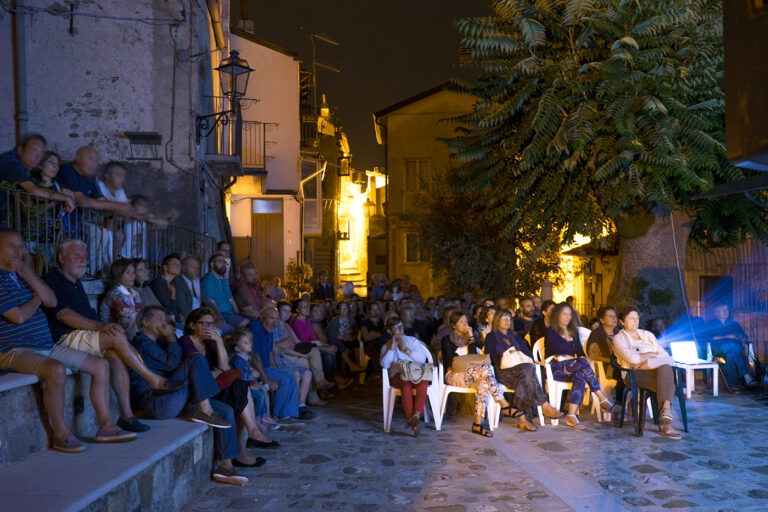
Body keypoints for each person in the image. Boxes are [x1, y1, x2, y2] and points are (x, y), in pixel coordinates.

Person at [0, 228, 131, 452]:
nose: (19, 251)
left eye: (21, 246)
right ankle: (61, 434)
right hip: (13, 350)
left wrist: (30, 275)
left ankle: (106, 426)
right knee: (57, 370)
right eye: (11, 245)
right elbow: (18, 316)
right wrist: (36, 299)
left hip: (45, 346)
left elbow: (50, 300)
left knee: (100, 365)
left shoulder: (23, 278)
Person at [43, 239, 183, 434]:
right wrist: (100, 326)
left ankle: (126, 416)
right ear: (61, 258)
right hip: (65, 336)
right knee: (117, 336)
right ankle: (154, 380)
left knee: (116, 356)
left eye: (84, 256)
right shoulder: (53, 279)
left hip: (86, 335)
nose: (82, 260)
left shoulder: (76, 283)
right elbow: (62, 314)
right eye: (76, 256)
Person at [128, 305, 251, 484]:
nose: (166, 323)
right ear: (145, 322)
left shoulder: (159, 343)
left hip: (173, 397)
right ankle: (205, 411)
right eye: (160, 319)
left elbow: (221, 368)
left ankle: (225, 466)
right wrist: (171, 337)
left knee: (226, 411)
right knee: (196, 358)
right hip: (157, 402)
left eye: (166, 318)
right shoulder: (142, 343)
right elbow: (172, 365)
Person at [178, 307, 278, 467]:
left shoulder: (209, 342)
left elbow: (224, 367)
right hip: (197, 394)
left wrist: (218, 341)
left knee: (240, 390)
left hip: (212, 388)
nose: (208, 327)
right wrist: (216, 372)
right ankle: (244, 444)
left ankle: (246, 444)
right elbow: (198, 374)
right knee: (233, 404)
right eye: (204, 323)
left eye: (211, 324)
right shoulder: (185, 342)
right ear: (192, 325)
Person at [484, 309, 563, 431]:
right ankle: (544, 405)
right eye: (503, 318)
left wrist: (530, 361)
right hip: (503, 372)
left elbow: (528, 355)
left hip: (522, 371)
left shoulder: (515, 336)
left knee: (526, 374)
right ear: (497, 320)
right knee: (527, 372)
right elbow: (488, 356)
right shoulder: (491, 337)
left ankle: (523, 419)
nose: (507, 321)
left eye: (509, 318)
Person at [613, 307, 682, 439]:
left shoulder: (647, 335)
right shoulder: (619, 339)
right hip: (633, 375)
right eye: (631, 318)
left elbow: (663, 354)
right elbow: (631, 359)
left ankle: (665, 413)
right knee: (667, 379)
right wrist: (651, 354)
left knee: (665, 368)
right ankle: (665, 420)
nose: (635, 321)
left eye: (637, 318)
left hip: (655, 372)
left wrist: (643, 358)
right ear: (622, 321)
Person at [441, 310, 511, 438]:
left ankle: (477, 423)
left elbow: (473, 357)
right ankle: (503, 403)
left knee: (483, 383)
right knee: (485, 369)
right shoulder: (446, 340)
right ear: (453, 325)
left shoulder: (470, 339)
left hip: (474, 374)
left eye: (466, 322)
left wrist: (470, 337)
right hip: (454, 375)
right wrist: (464, 362)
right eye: (461, 322)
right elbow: (448, 362)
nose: (464, 324)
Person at [544, 303, 613, 429]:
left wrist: (583, 358)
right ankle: (601, 396)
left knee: (580, 373)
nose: (567, 317)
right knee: (582, 363)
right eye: (564, 314)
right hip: (555, 367)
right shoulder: (551, 331)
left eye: (570, 314)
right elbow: (555, 350)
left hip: (574, 366)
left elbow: (580, 353)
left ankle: (571, 415)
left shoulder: (573, 332)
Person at [251, 307, 314, 421]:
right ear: (261, 317)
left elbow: (270, 352)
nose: (274, 323)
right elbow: (255, 358)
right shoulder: (255, 328)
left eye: (276, 319)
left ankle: (290, 414)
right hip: (258, 369)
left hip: (268, 367)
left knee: (291, 379)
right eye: (271, 318)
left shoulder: (268, 329)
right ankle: (280, 415)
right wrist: (268, 380)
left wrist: (276, 370)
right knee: (285, 380)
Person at [224, 328, 280, 447]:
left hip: (247, 383)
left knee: (262, 390)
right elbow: (241, 376)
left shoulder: (246, 357)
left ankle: (265, 416)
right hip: (242, 386)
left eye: (249, 341)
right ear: (237, 348)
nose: (250, 344)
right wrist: (252, 381)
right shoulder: (237, 359)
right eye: (245, 342)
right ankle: (258, 420)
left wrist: (253, 374)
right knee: (259, 394)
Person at [0, 134, 75, 215]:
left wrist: (61, 196)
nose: (38, 156)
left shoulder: (23, 170)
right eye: (33, 150)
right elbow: (35, 191)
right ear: (21, 150)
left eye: (41, 152)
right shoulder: (12, 164)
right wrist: (66, 198)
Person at [380, 316, 431, 436]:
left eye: (401, 326)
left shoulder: (411, 341)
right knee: (406, 384)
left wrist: (406, 350)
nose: (400, 330)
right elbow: (385, 365)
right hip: (399, 377)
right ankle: (413, 421)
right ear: (389, 331)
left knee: (423, 382)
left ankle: (416, 416)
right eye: (396, 328)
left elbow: (422, 358)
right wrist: (392, 348)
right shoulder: (386, 346)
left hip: (414, 373)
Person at [706, 304, 756, 389]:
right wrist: (727, 337)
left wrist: (737, 337)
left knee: (731, 355)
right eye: (723, 310)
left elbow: (744, 337)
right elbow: (710, 338)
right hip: (719, 349)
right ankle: (746, 375)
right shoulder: (711, 324)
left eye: (727, 310)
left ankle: (733, 386)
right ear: (717, 313)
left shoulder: (734, 323)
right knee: (732, 346)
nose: (726, 312)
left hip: (736, 348)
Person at [585, 306, 623, 409]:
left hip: (619, 365)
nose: (614, 318)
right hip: (604, 368)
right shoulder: (597, 334)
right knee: (623, 374)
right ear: (602, 320)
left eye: (615, 316)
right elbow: (593, 354)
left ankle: (630, 404)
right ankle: (619, 405)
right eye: (610, 316)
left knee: (633, 372)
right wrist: (612, 361)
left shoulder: (619, 333)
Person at [201, 253, 249, 330]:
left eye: (225, 263)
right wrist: (221, 319)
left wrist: (238, 314)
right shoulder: (208, 280)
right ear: (212, 264)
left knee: (253, 321)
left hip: (230, 314)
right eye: (220, 262)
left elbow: (231, 299)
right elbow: (211, 303)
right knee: (246, 324)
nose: (223, 265)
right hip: (221, 314)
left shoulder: (223, 281)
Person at [100, 259, 143, 340]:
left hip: (129, 328)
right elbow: (126, 313)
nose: (133, 276)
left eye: (133, 272)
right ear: (118, 274)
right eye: (128, 272)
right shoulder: (114, 293)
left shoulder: (133, 292)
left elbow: (142, 309)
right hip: (113, 332)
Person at [149, 253, 181, 318]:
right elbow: (168, 309)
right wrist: (173, 294)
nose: (178, 267)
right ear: (165, 267)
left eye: (179, 265)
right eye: (175, 264)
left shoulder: (173, 284)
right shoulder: (157, 284)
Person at [175, 256, 203, 322]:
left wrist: (216, 316)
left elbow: (206, 300)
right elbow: (183, 306)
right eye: (193, 268)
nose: (196, 270)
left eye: (198, 268)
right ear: (183, 268)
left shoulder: (197, 281)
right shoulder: (179, 282)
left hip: (201, 314)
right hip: (191, 318)